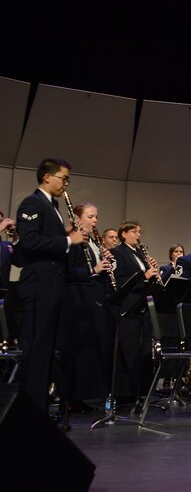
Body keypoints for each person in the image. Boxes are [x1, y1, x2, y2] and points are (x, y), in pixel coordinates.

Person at [14, 158, 87, 414]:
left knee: (46, 348)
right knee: (36, 347)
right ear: (47, 177)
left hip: (52, 282)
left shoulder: (51, 205)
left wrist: (64, 234)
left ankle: (40, 408)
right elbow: (30, 241)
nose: (66, 184)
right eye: (63, 178)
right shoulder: (32, 202)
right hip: (39, 282)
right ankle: (30, 409)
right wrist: (68, 240)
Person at [59, 202, 114, 411]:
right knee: (78, 350)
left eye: (96, 217)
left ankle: (82, 395)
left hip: (95, 299)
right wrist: (95, 269)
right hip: (77, 300)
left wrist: (104, 260)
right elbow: (69, 272)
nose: (95, 221)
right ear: (78, 218)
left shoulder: (92, 241)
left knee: (90, 350)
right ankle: (71, 397)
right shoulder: (73, 241)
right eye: (90, 217)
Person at [110, 220, 160, 401]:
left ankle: (142, 391)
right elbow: (119, 280)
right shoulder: (117, 253)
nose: (138, 235)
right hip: (129, 305)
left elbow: (147, 280)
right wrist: (144, 276)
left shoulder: (140, 254)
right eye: (134, 232)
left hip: (142, 305)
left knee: (143, 348)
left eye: (139, 232)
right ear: (124, 234)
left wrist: (152, 272)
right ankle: (125, 394)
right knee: (129, 347)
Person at [0, 209, 19, 293]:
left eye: (1, 221)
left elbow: (19, 262)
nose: (2, 223)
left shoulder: (7, 245)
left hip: (2, 290)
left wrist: (16, 238)